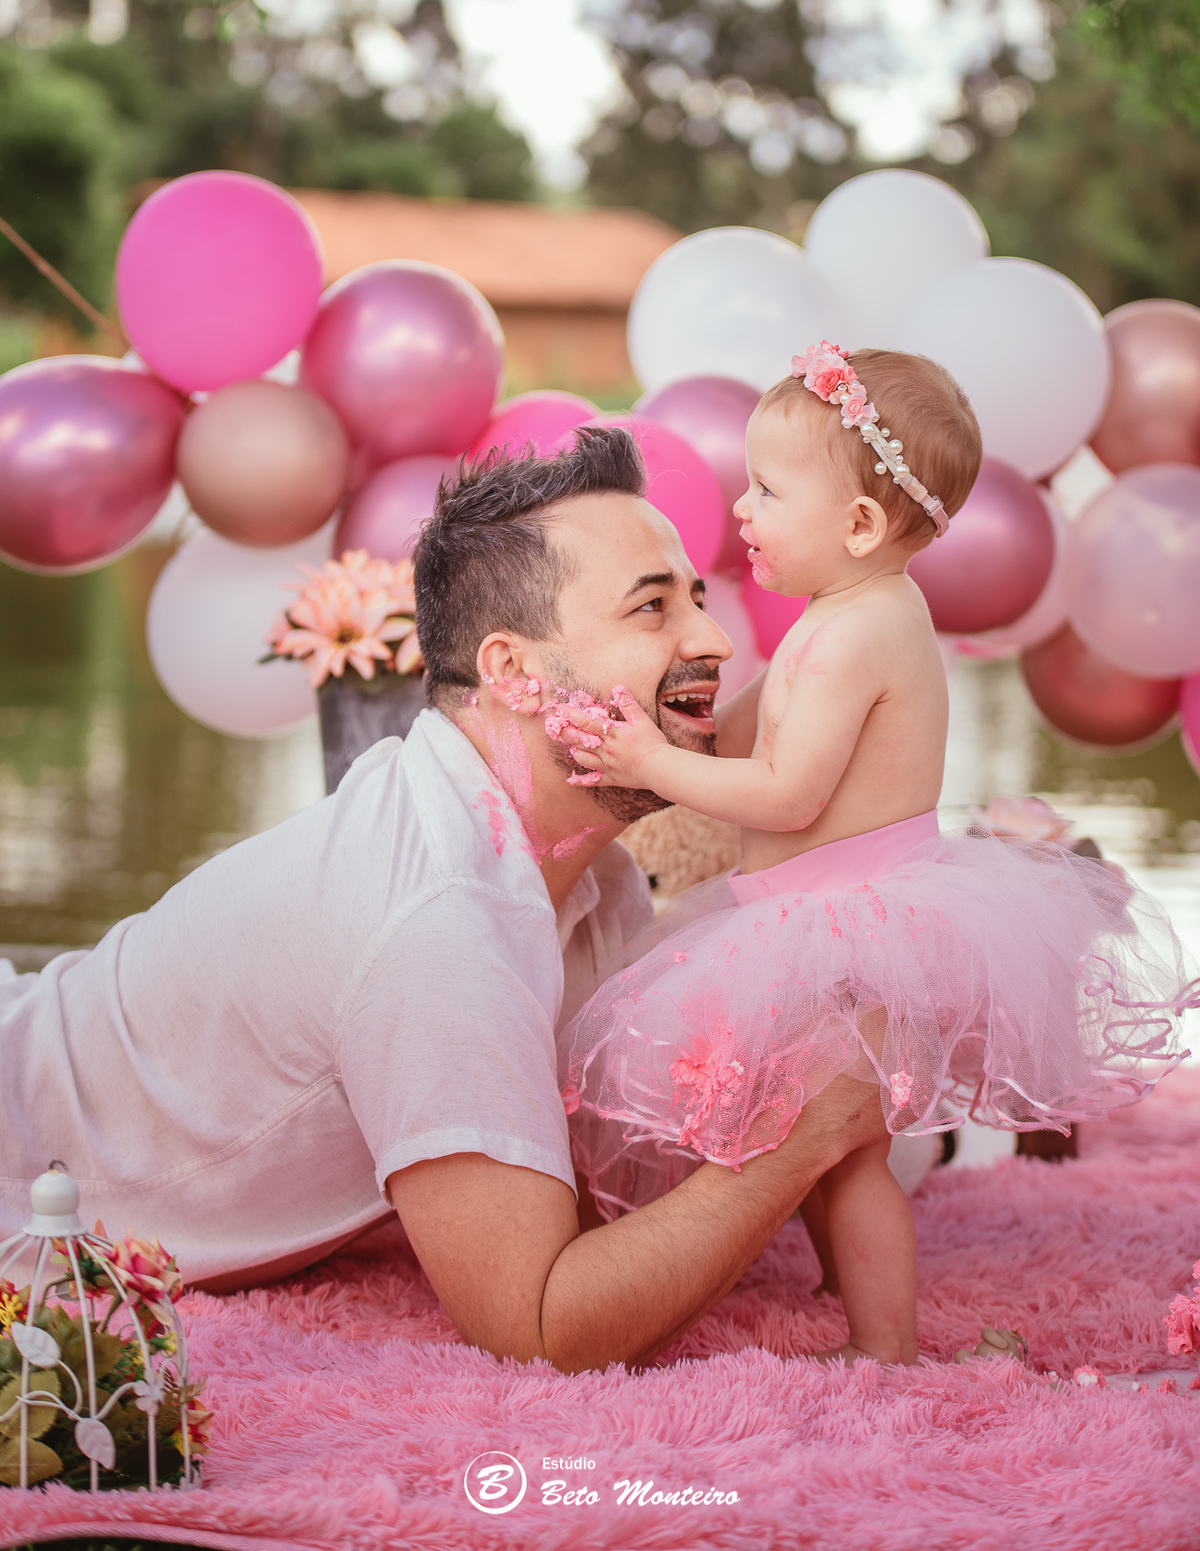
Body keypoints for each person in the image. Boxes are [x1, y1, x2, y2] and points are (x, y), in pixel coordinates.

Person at [0, 429, 886, 1374]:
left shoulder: (586, 869)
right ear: (511, 673)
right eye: (652, 607)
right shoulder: (438, 916)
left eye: (698, 600)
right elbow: (537, 1327)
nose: (712, 641)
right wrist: (798, 1135)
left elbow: (603, 1176)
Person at [558, 347, 1198, 1369]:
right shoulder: (833, 617)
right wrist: (660, 720)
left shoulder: (863, 634)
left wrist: (647, 763)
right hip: (796, 910)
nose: (741, 510)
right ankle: (844, 1287)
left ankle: (882, 1340)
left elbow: (785, 791)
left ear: (858, 525)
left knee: (844, 1148)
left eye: (768, 490)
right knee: (812, 1132)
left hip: (849, 924)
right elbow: (738, 740)